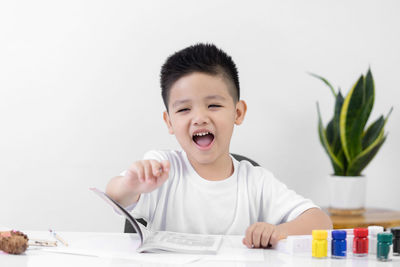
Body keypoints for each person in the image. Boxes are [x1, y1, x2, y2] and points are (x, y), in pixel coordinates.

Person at [106, 43, 332, 249]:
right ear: (169, 122)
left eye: (213, 105)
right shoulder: (162, 169)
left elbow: (320, 221)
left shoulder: (256, 182)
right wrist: (131, 185)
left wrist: (278, 231)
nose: (200, 118)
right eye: (184, 109)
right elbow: (116, 196)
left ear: (238, 112)